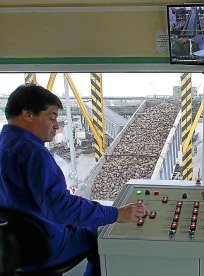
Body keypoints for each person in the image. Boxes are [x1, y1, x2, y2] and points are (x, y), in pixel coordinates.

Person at [0, 84, 146, 276]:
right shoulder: (33, 152)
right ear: (27, 114)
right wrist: (117, 214)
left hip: (11, 247)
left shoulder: (4, 144)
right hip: (43, 247)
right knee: (98, 235)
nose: (57, 125)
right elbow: (61, 208)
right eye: (52, 117)